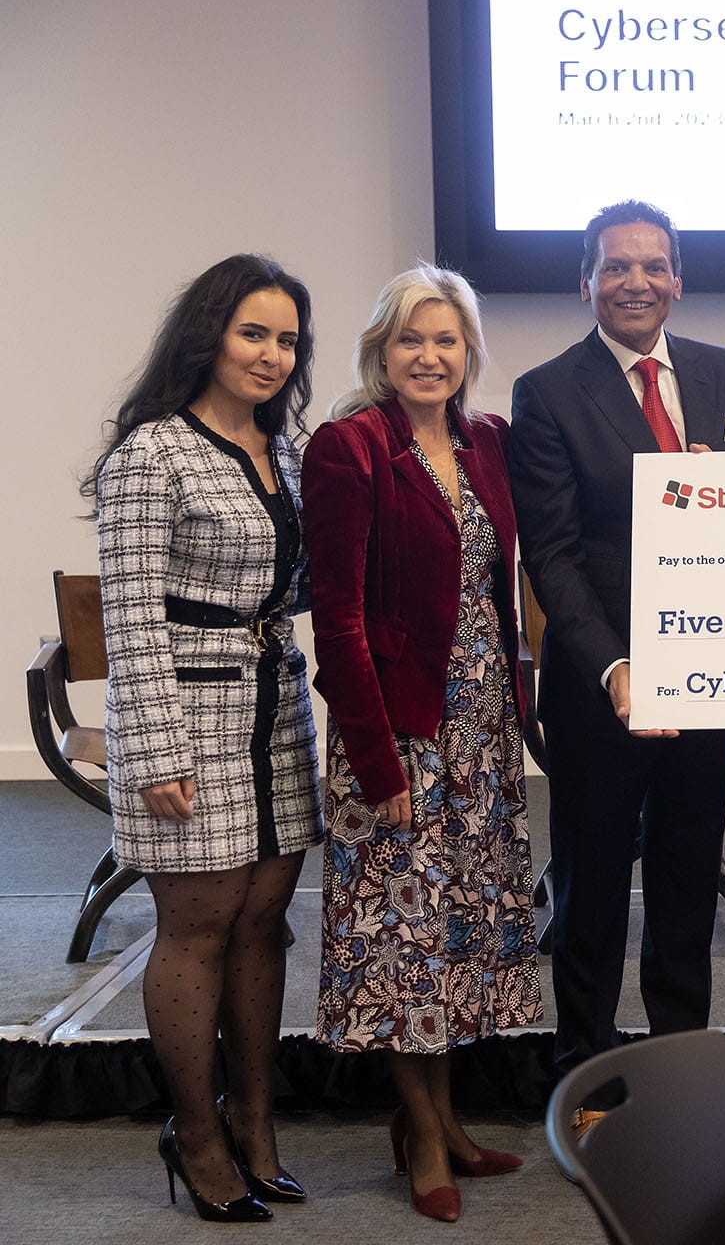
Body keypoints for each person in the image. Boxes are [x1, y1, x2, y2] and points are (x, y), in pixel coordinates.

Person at [509, 200, 725, 1124]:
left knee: (683, 878)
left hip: (706, 676)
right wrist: (614, 667)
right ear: (585, 281)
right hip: (601, 684)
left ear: (678, 279)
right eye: (615, 267)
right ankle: (584, 1076)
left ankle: (676, 1077)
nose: (636, 282)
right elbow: (551, 554)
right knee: (590, 890)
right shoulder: (546, 393)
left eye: (652, 266)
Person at [89, 255, 323, 1223]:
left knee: (264, 920)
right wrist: (153, 750)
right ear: (208, 334)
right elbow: (130, 612)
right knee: (198, 926)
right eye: (253, 333)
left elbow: (300, 582)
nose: (272, 355)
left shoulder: (288, 449)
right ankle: (193, 1131)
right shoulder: (152, 452)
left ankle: (255, 1117)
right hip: (187, 719)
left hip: (278, 710)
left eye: (287, 339)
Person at [304, 265, 540, 1221]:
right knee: (403, 943)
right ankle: (424, 1139)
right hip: (399, 734)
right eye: (411, 340)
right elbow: (338, 614)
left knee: (454, 938)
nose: (429, 357)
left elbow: (501, 585)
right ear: (381, 351)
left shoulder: (490, 442)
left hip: (480, 733)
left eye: (446, 341)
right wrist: (375, 757)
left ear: (469, 353)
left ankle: (439, 1122)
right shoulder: (349, 446)